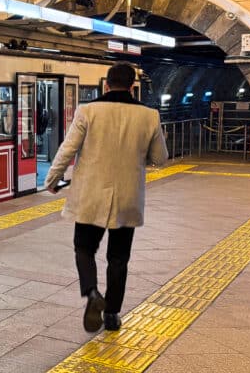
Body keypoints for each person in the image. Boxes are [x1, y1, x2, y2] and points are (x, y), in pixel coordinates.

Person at [45, 63, 168, 333]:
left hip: (90, 196)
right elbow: (161, 158)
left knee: (84, 248)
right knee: (119, 258)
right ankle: (112, 315)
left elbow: (68, 150)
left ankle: (91, 293)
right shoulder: (150, 116)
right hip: (127, 197)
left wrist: (52, 180)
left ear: (106, 84)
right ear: (133, 87)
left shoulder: (87, 111)